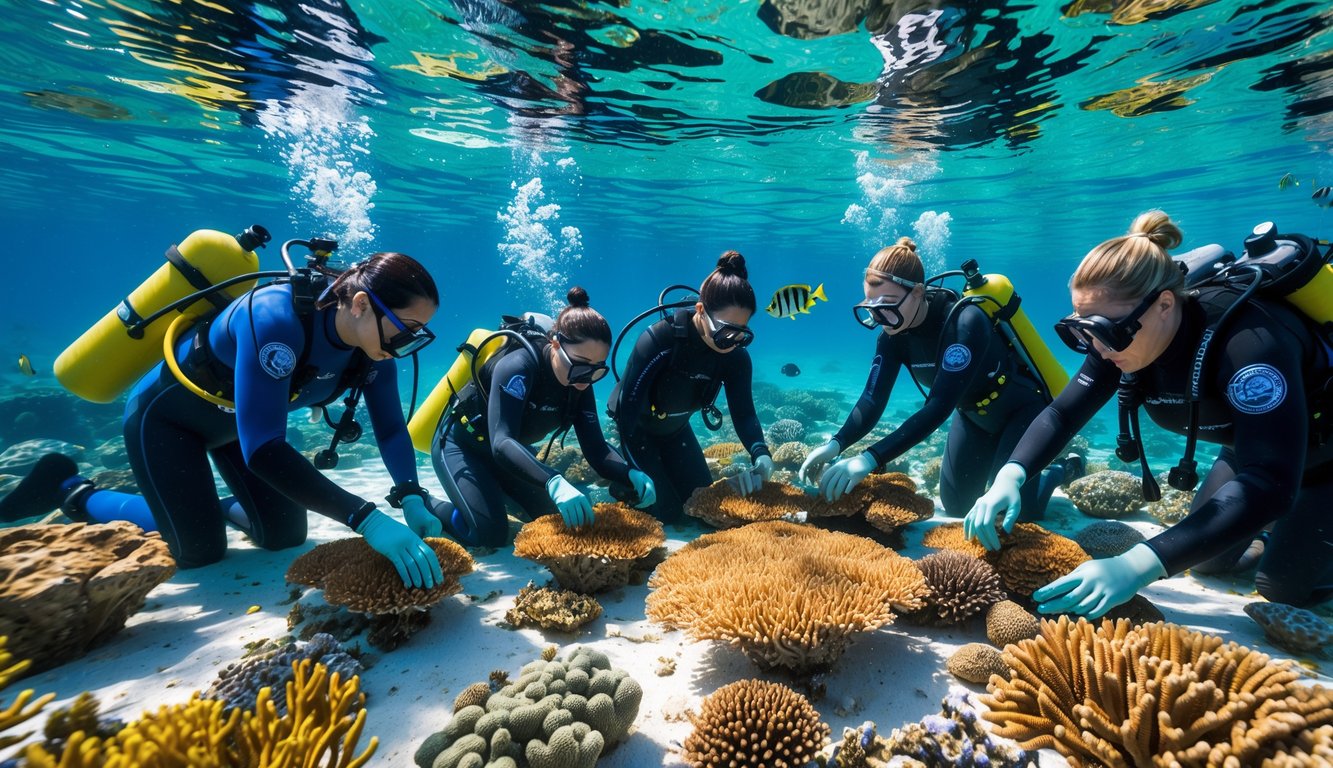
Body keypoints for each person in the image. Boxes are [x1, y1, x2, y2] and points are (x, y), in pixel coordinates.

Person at [0, 252, 446, 590]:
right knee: (199, 551)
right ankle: (72, 490)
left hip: (242, 427)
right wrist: (365, 519)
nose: (408, 346)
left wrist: (410, 495)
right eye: (406, 328)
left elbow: (389, 429)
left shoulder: (376, 352)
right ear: (362, 304)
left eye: (419, 335)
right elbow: (265, 450)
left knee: (285, 535)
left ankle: (191, 505)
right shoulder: (277, 320)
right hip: (170, 420)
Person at [964, 211, 1333, 618]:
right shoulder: (1118, 337)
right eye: (1084, 329)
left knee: (1281, 588)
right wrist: (1011, 474)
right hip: (1251, 449)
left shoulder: (1250, 343)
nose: (1097, 348)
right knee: (1208, 561)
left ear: (1164, 305)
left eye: (1105, 330)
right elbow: (1062, 415)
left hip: (1320, 461)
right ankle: (1278, 530)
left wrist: (1139, 564)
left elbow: (1270, 481)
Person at [800, 237, 1079, 514]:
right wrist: (836, 443)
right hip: (972, 415)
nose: (880, 317)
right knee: (957, 506)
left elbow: (938, 406)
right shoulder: (892, 335)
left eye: (888, 304)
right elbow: (871, 399)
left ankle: (1060, 470)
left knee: (1015, 514)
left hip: (1023, 411)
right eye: (872, 306)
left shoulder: (964, 322)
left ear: (918, 292)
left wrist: (869, 458)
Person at [430, 287, 655, 547]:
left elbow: (596, 449)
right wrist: (553, 480)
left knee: (560, 522)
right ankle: (428, 504)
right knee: (488, 534)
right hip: (463, 445)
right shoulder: (518, 367)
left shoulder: (581, 381)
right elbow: (502, 441)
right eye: (580, 364)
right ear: (556, 344)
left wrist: (630, 473)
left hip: (511, 459)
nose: (586, 379)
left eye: (596, 371)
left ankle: (495, 494)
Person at [608, 251, 773, 522]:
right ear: (700, 311)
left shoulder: (736, 357)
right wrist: (631, 471)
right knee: (664, 513)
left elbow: (743, 413)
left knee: (700, 507)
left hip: (676, 432)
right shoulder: (659, 339)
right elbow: (626, 412)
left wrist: (761, 453)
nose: (732, 340)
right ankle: (616, 479)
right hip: (636, 430)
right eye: (725, 329)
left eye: (741, 331)